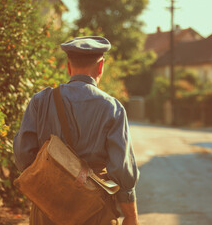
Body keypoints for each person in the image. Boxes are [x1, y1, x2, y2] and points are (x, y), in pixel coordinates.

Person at [13, 36, 140, 225]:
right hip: (95, 212)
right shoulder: (112, 107)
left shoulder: (41, 101)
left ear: (68, 66)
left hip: (47, 210)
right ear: (100, 67)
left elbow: (23, 155)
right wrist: (131, 216)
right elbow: (121, 170)